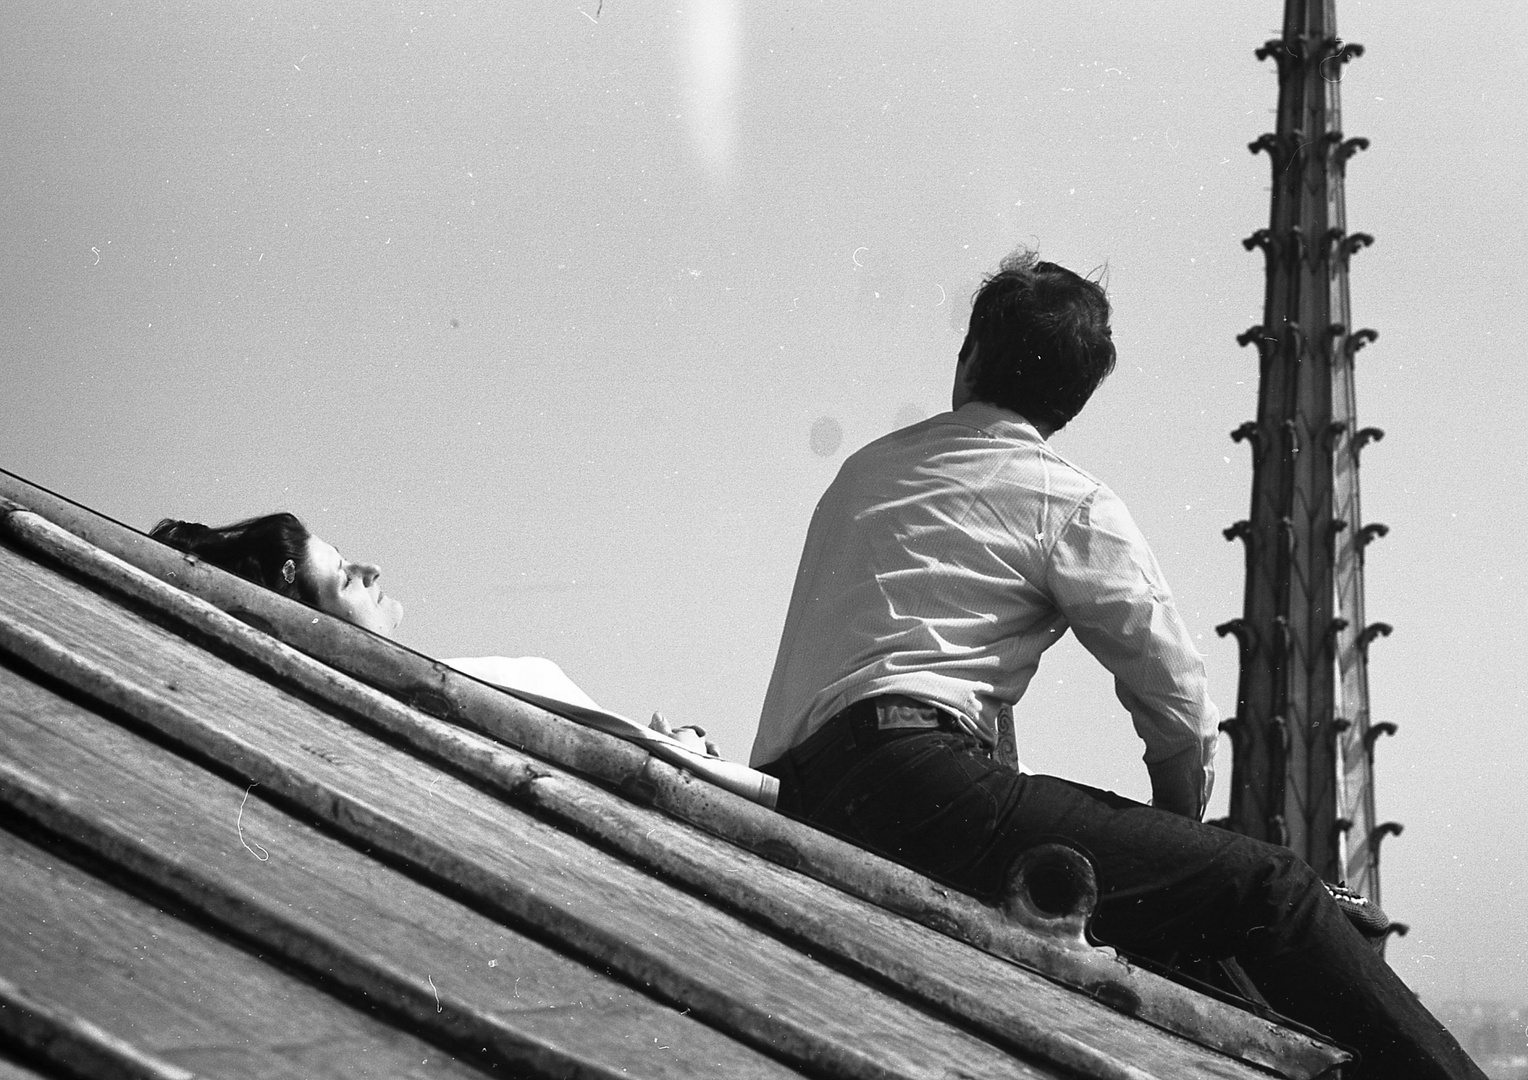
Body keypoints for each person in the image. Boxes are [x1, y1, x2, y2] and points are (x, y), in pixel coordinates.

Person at [750, 249, 1482, 1079]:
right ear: (1074, 400)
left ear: (968, 359)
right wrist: (1179, 829)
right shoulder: (1064, 498)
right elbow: (1176, 700)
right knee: (1266, 888)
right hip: (915, 784)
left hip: (796, 792)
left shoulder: (864, 471)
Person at [148, 513, 779, 804]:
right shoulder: (470, 688)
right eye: (345, 577)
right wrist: (683, 753)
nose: (372, 570)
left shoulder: (454, 690)